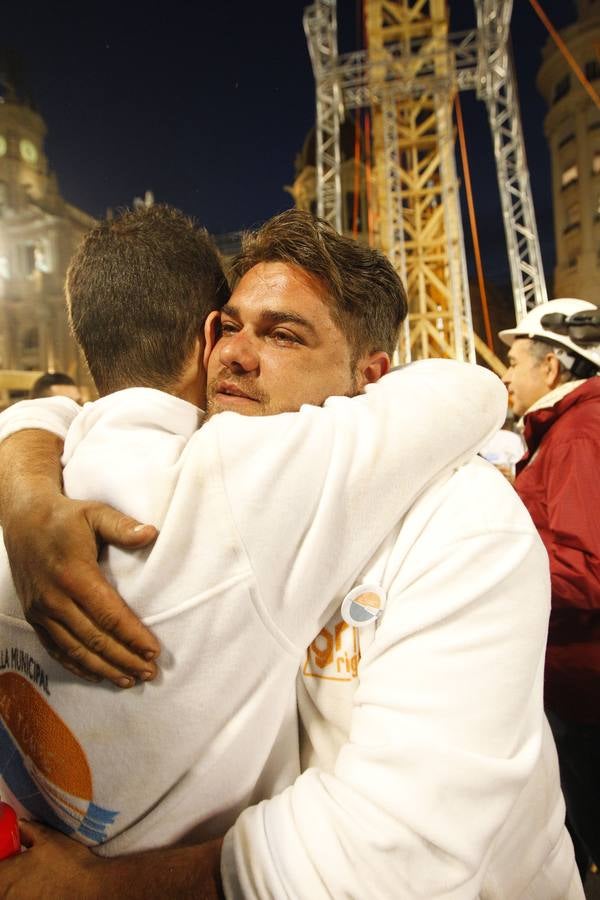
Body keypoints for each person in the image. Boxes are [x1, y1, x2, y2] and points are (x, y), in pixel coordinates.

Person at [0, 211, 582, 898]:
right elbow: (74, 413)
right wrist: (28, 494)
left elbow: (402, 853)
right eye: (229, 326)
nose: (234, 356)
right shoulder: (201, 466)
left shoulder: (465, 524)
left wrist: (101, 888)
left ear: (372, 380)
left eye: (282, 334)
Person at [499, 297, 600, 879]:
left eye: (515, 359)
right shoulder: (568, 429)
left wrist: (498, 572)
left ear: (553, 367)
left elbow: (585, 569)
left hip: (583, 690)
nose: (507, 372)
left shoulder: (580, 433)